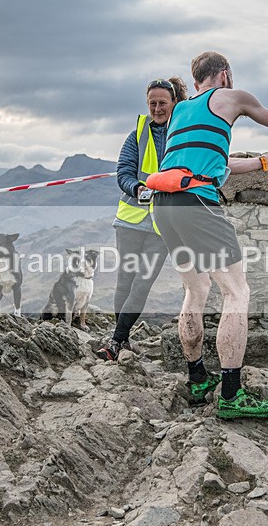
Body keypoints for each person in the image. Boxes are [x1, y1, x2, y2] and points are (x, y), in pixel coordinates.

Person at [152, 51, 268, 420]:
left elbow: (217, 166)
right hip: (197, 205)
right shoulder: (230, 96)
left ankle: (198, 379)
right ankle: (232, 395)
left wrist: (265, 162)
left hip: (164, 204)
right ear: (224, 74)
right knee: (237, 291)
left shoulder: (181, 112)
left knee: (195, 290)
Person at [96, 77, 188, 361]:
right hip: (131, 219)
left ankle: (117, 340)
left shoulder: (184, 133)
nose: (157, 109)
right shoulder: (137, 133)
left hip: (164, 223)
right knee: (125, 281)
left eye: (162, 103)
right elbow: (123, 171)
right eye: (152, 104)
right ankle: (119, 340)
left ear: (174, 103)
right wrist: (136, 188)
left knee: (143, 283)